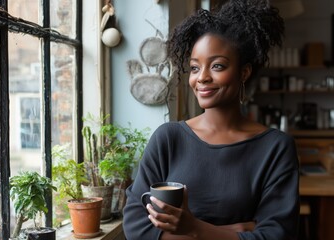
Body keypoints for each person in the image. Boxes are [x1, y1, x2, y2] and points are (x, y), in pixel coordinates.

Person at [123, 0, 299, 239]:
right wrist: (234, 232)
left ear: (244, 72)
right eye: (195, 68)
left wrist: (194, 228)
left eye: (217, 66)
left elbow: (277, 235)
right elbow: (136, 227)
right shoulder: (168, 138)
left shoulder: (276, 148)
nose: (202, 78)